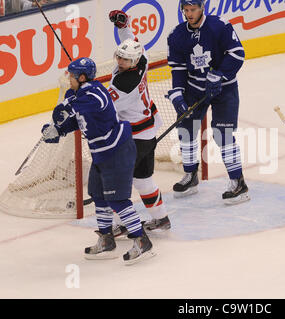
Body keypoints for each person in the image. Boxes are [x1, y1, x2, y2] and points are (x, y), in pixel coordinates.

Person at [41, 57, 153, 265]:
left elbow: (93, 104)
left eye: (72, 76)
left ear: (82, 78)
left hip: (116, 151)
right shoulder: (80, 94)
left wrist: (66, 106)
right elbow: (79, 120)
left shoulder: (93, 92)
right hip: (101, 152)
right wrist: (59, 130)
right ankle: (106, 239)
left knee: (117, 200)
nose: (69, 79)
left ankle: (142, 240)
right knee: (98, 195)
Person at [167, 0, 249, 205]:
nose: (189, 14)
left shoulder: (219, 26)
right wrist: (178, 92)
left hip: (224, 89)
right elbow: (177, 68)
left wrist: (219, 75)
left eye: (193, 9)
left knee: (223, 135)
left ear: (202, 8)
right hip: (194, 90)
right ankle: (191, 175)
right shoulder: (176, 35)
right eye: (185, 10)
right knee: (185, 130)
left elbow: (237, 54)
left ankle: (238, 182)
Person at [107, 9, 171, 237]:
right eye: (119, 57)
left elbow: (104, 107)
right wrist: (122, 25)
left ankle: (114, 225)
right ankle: (161, 218)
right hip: (147, 131)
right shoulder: (141, 59)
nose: (120, 61)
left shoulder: (125, 85)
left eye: (124, 59)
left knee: (116, 180)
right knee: (143, 180)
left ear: (131, 61)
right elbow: (131, 41)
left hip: (134, 138)